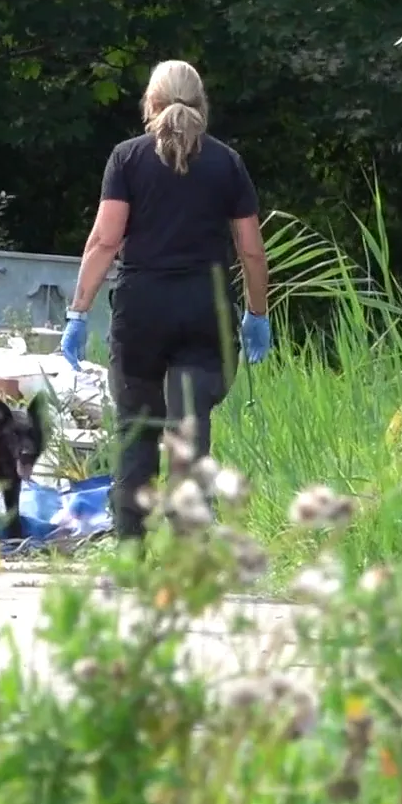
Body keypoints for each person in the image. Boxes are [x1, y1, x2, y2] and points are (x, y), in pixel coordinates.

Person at [59, 59, 272, 542]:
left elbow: (105, 241)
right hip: (205, 310)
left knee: (136, 428)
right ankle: (189, 549)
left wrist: (78, 311)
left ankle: (130, 552)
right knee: (189, 430)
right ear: (202, 104)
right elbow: (251, 250)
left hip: (142, 312)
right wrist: (257, 313)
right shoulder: (227, 162)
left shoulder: (127, 158)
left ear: (149, 103)